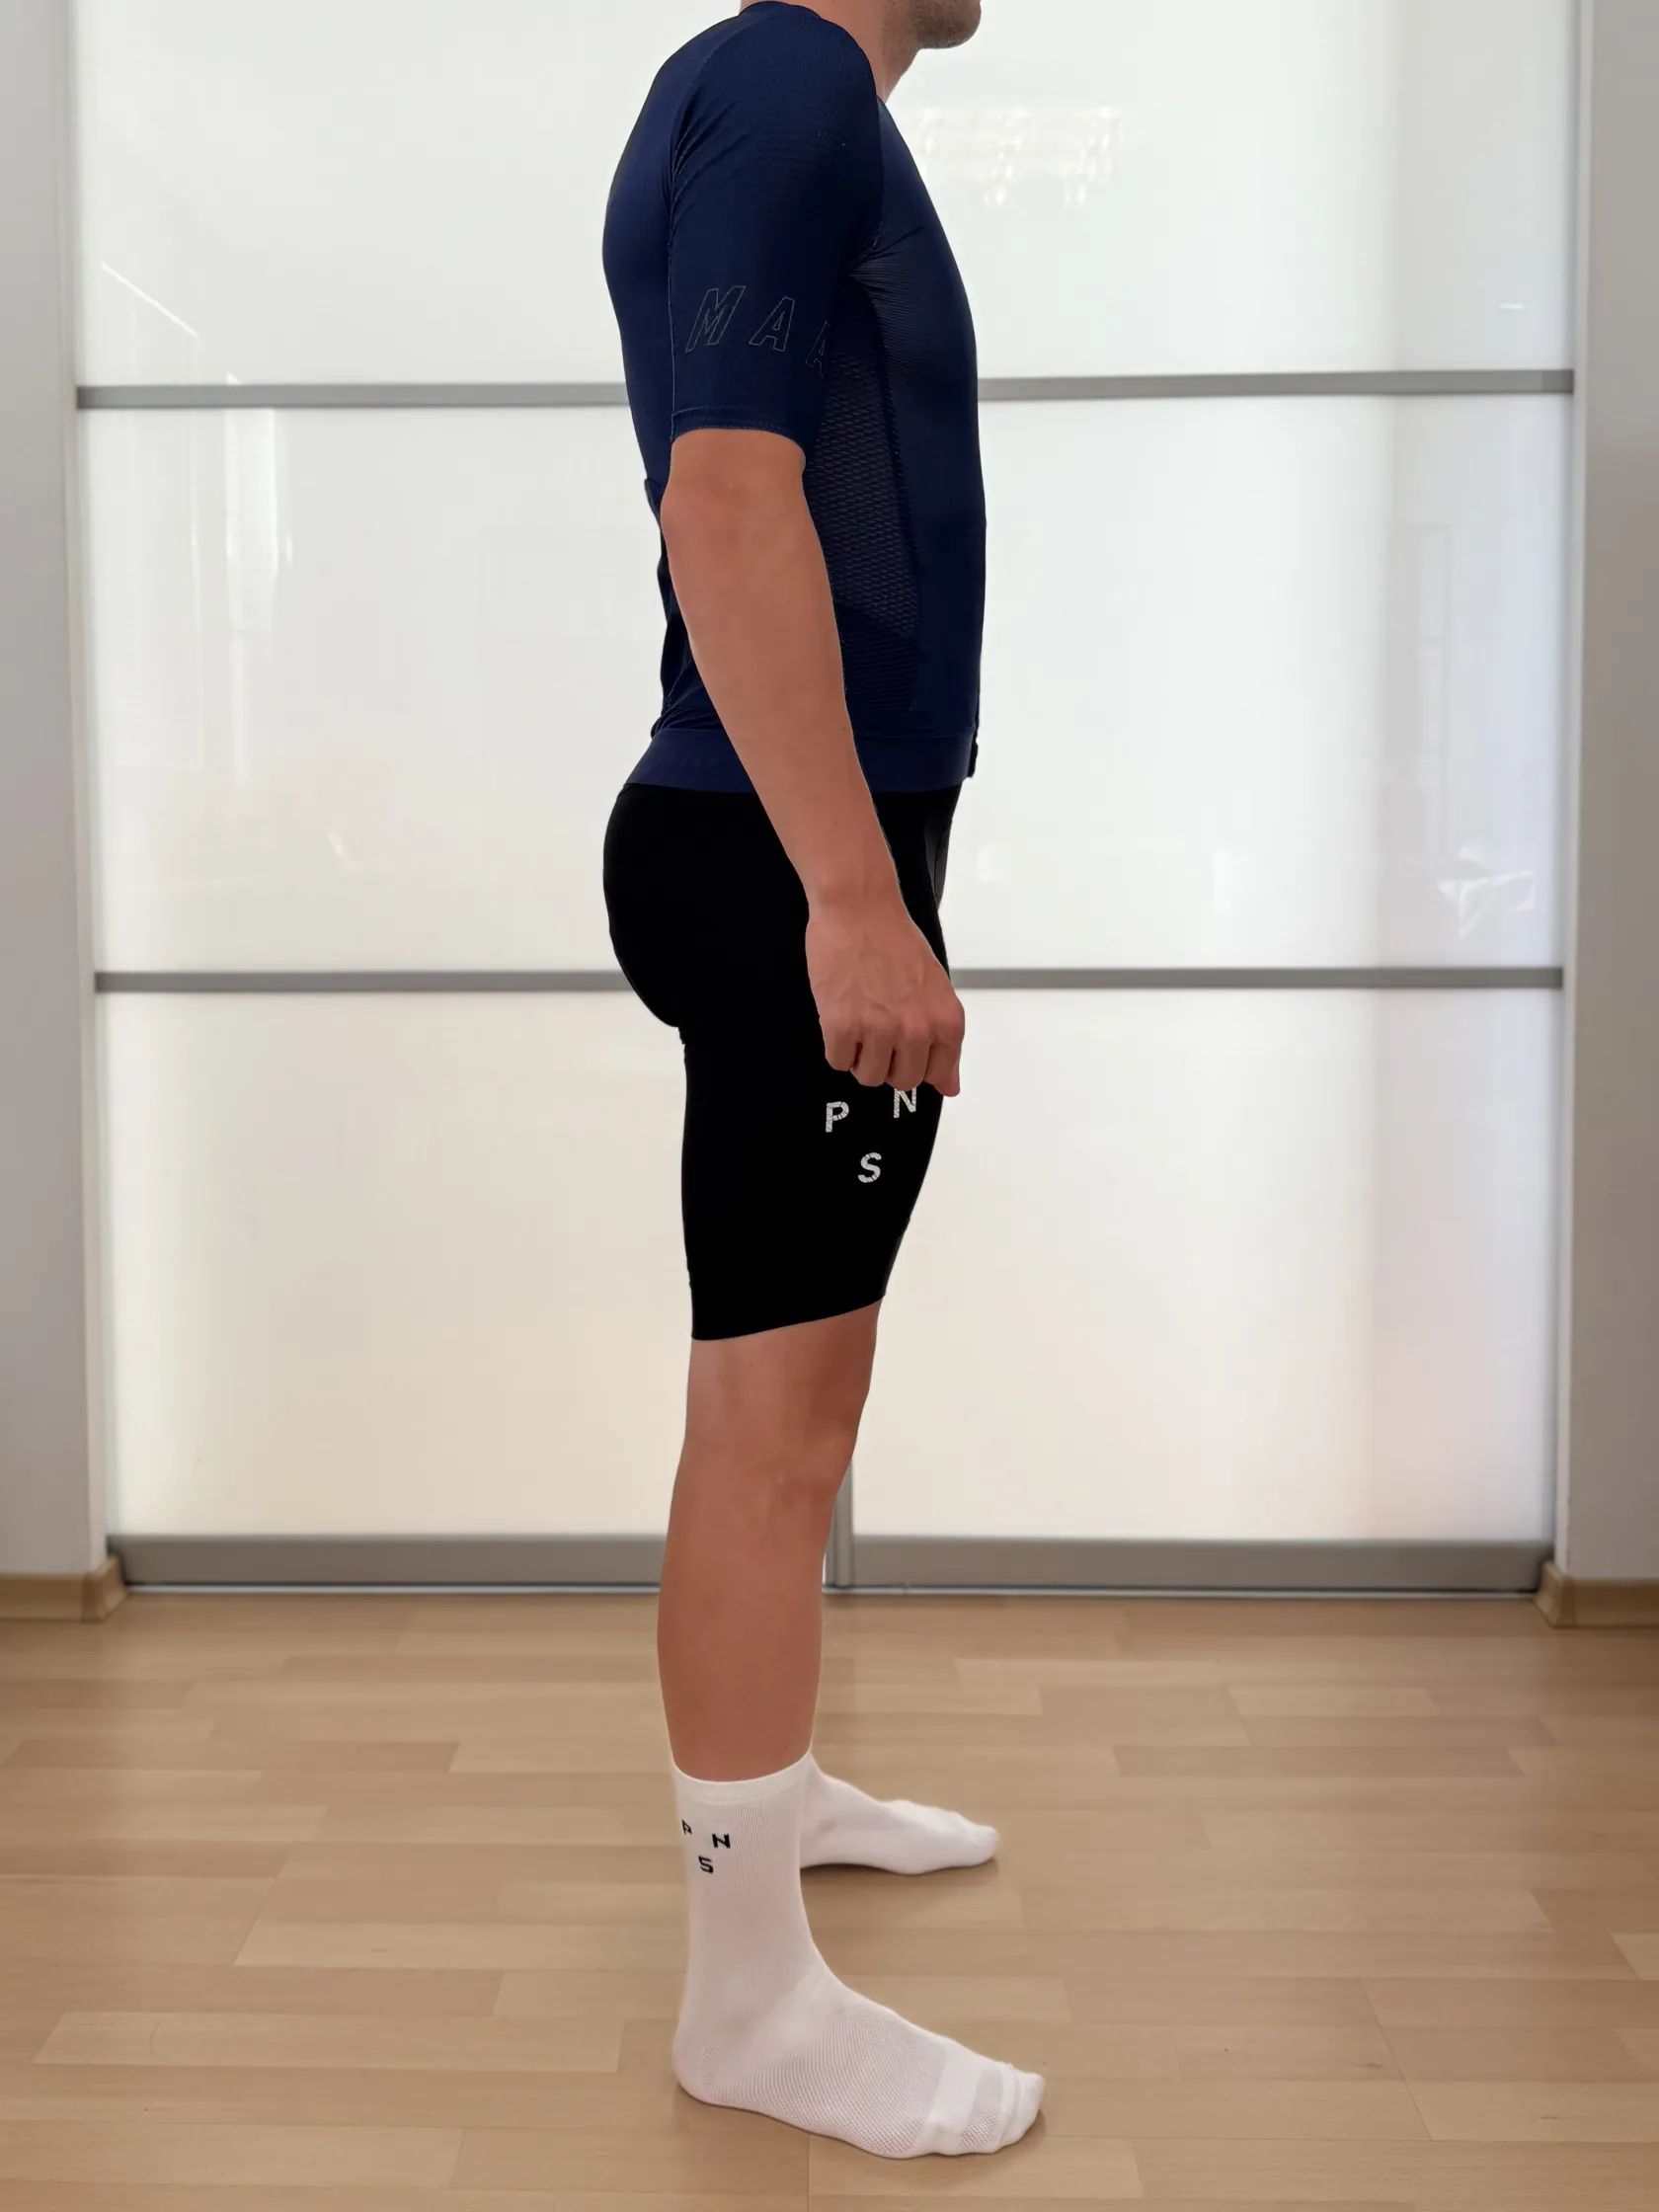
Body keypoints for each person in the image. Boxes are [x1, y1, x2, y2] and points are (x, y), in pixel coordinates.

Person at [600, 0, 1043, 2160]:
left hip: (784, 831)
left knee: (789, 1407)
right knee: (774, 1435)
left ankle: (774, 1807)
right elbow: (727, 492)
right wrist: (854, 899)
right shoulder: (786, 76)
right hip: (788, 851)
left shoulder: (786, 93)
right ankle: (750, 2000)